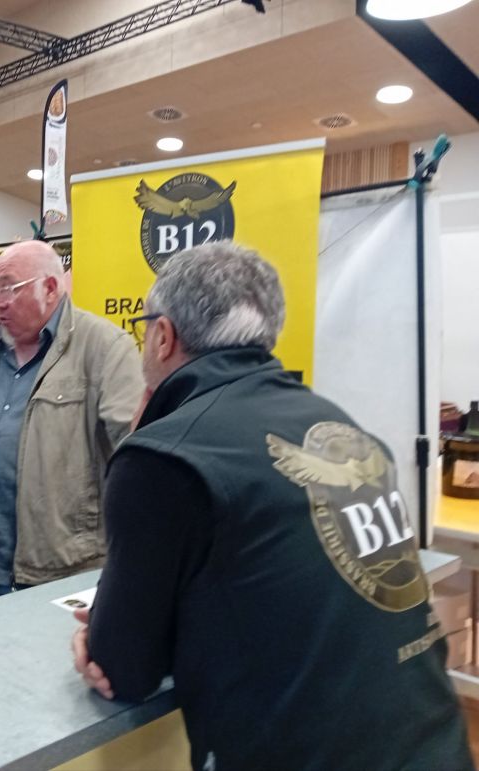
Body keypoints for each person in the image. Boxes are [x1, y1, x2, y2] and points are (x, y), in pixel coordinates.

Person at [71, 241, 471, 770]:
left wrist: (97, 633)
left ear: (163, 336)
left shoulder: (163, 456)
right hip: (437, 743)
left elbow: (123, 669)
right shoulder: (342, 426)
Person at [0, 240, 143, 601]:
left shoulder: (105, 347)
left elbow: (136, 454)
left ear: (50, 287)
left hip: (58, 572)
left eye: (10, 288)